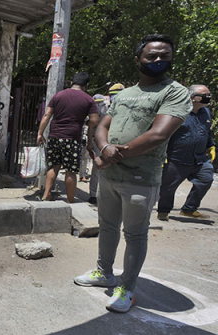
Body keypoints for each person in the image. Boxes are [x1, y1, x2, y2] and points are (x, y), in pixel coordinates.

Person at [74, 34, 191, 313]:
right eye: (151, 56)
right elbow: (102, 125)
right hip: (111, 177)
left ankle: (127, 287)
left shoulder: (174, 92)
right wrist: (103, 149)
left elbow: (158, 134)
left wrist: (114, 155)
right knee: (108, 227)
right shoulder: (124, 93)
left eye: (164, 55)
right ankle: (104, 273)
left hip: (141, 178)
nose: (158, 60)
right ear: (138, 59)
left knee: (135, 235)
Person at [37, 72, 99, 203]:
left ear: (72, 83)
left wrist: (40, 133)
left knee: (53, 166)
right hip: (72, 138)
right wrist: (86, 123)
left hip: (54, 137)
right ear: (86, 85)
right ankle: (70, 201)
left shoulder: (58, 95)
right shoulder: (89, 100)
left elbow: (47, 115)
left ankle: (46, 195)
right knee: (70, 171)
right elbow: (94, 120)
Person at [156, 85, 214, 221]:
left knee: (206, 179)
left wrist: (211, 145)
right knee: (168, 188)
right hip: (176, 159)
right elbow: (165, 134)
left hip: (199, 159)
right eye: (205, 95)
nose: (209, 97)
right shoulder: (177, 112)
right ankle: (163, 211)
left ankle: (189, 209)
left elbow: (207, 130)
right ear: (193, 98)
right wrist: (162, 153)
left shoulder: (206, 111)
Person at [87, 94, 110, 204]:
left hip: (108, 141)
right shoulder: (96, 109)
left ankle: (100, 194)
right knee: (97, 168)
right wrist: (90, 142)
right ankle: (93, 194)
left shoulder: (109, 107)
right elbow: (91, 126)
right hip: (98, 141)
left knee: (105, 169)